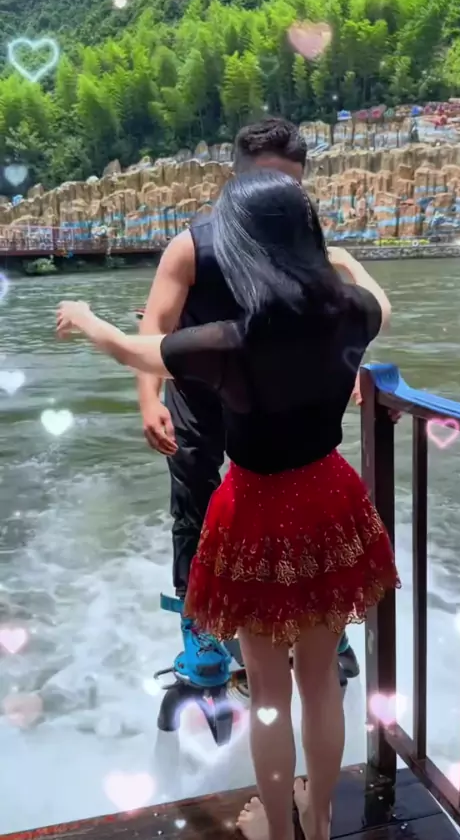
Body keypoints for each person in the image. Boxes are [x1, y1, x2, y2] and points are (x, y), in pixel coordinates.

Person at [56, 169, 400, 840]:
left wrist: (87, 318)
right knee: (320, 682)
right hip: (330, 500)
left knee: (269, 693)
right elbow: (382, 302)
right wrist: (345, 260)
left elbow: (132, 349)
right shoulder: (351, 314)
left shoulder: (228, 343)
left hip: (255, 514)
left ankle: (277, 828)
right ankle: (320, 819)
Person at [136, 116, 359, 685]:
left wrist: (347, 367)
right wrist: (148, 399)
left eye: (290, 187)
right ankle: (201, 630)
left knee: (298, 500)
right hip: (201, 393)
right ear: (234, 181)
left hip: (276, 396)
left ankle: (317, 620)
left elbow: (333, 315)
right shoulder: (192, 247)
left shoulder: (305, 243)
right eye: (265, 181)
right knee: (195, 500)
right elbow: (154, 327)